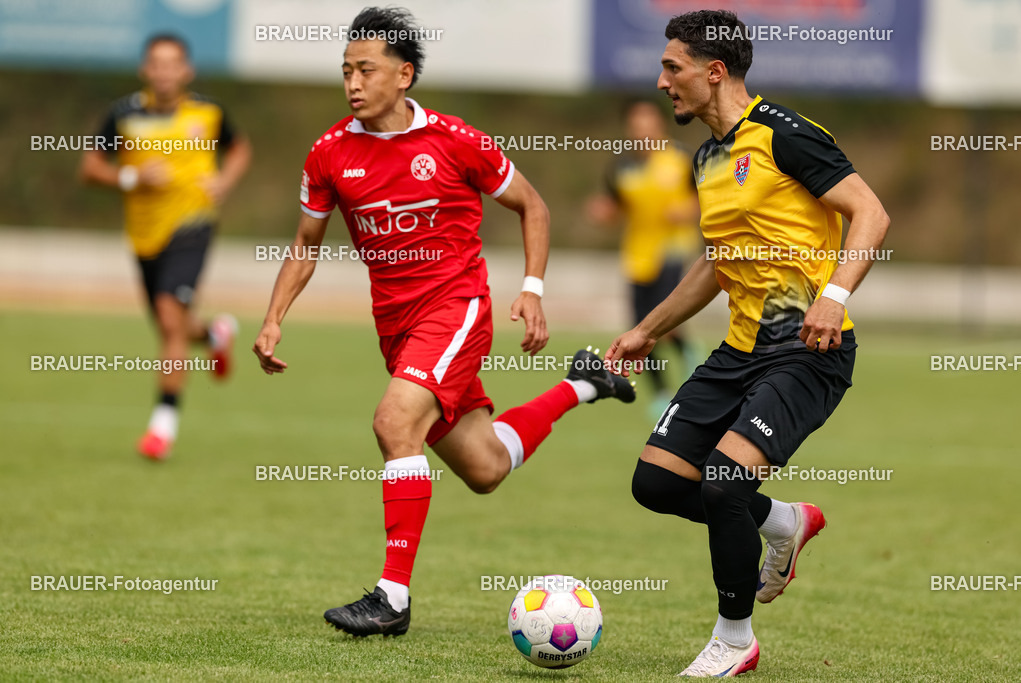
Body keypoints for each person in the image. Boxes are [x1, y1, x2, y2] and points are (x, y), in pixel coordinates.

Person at [252, 6, 634, 638]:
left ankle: (392, 597)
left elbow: (531, 205)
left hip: (455, 310)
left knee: (393, 421)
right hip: (396, 328)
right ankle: (584, 384)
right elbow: (304, 243)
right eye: (345, 70)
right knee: (484, 467)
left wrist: (532, 290)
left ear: (403, 75)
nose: (352, 82)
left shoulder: (455, 141)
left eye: (365, 69)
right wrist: (273, 318)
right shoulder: (328, 153)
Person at [605, 9, 889, 677]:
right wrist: (649, 329)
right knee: (656, 481)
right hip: (737, 351)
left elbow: (871, 211)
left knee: (724, 483)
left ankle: (734, 638)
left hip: (807, 351)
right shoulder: (705, 158)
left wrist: (834, 296)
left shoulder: (785, 135)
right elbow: (714, 262)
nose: (662, 80)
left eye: (672, 68)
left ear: (713, 73)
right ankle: (783, 521)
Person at [80, 33, 251, 461]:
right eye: (156, 63)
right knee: (171, 325)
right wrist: (132, 178)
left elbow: (240, 149)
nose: (164, 71)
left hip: (193, 225)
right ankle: (214, 333)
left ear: (186, 71)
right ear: (145, 69)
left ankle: (162, 425)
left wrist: (225, 182)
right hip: (143, 235)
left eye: (172, 63)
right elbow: (90, 168)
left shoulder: (209, 112)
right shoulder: (123, 114)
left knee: (171, 318)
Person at [586, 99, 703, 417]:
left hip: (674, 247)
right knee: (639, 326)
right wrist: (603, 213)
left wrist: (688, 211)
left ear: (660, 125)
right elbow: (615, 206)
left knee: (660, 316)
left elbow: (705, 201)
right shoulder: (621, 167)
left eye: (647, 124)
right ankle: (662, 393)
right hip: (638, 253)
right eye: (636, 127)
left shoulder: (681, 159)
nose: (642, 132)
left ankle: (687, 351)